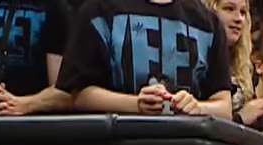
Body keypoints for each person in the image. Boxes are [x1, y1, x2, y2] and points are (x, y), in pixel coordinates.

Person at [58, 0, 232, 117]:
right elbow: (78, 95)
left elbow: (224, 107)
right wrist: (136, 105)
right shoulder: (98, 11)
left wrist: (197, 107)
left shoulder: (208, 23)